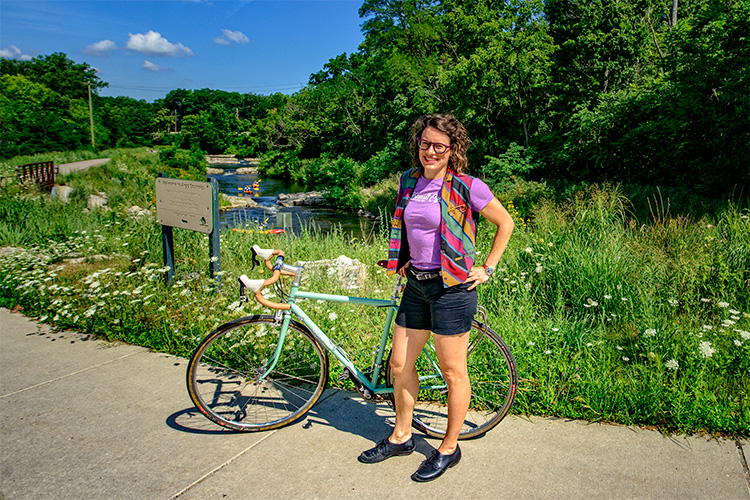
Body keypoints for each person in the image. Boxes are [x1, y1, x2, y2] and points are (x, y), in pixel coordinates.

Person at [358, 114, 515, 482]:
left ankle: (448, 447)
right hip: (416, 284)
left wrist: (487, 268)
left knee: (452, 372)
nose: (430, 151)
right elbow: (410, 227)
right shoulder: (408, 181)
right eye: (425, 143)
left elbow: (505, 223)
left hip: (452, 289)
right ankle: (402, 436)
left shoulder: (466, 185)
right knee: (399, 365)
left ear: (452, 149)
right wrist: (403, 260)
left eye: (439, 146)